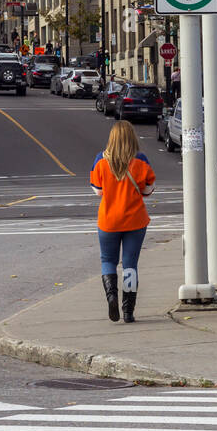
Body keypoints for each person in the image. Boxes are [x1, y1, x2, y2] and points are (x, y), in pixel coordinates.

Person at [90, 120, 155, 324]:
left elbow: (97, 190)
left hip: (109, 220)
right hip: (135, 220)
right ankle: (128, 311)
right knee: (130, 265)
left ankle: (111, 297)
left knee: (108, 261)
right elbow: (148, 189)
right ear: (131, 137)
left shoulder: (101, 159)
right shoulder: (141, 160)